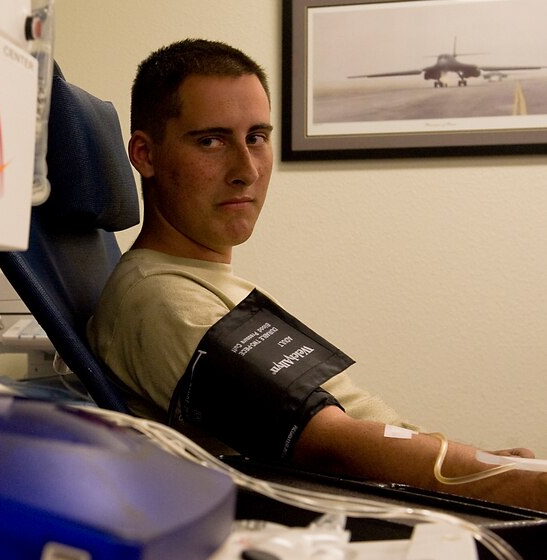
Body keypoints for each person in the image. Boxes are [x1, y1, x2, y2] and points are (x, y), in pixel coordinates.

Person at [87, 38, 547, 512]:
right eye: (211, 140)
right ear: (145, 155)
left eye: (257, 138)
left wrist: (483, 462)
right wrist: (505, 481)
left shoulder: (202, 281)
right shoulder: (163, 300)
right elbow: (332, 447)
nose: (246, 169)